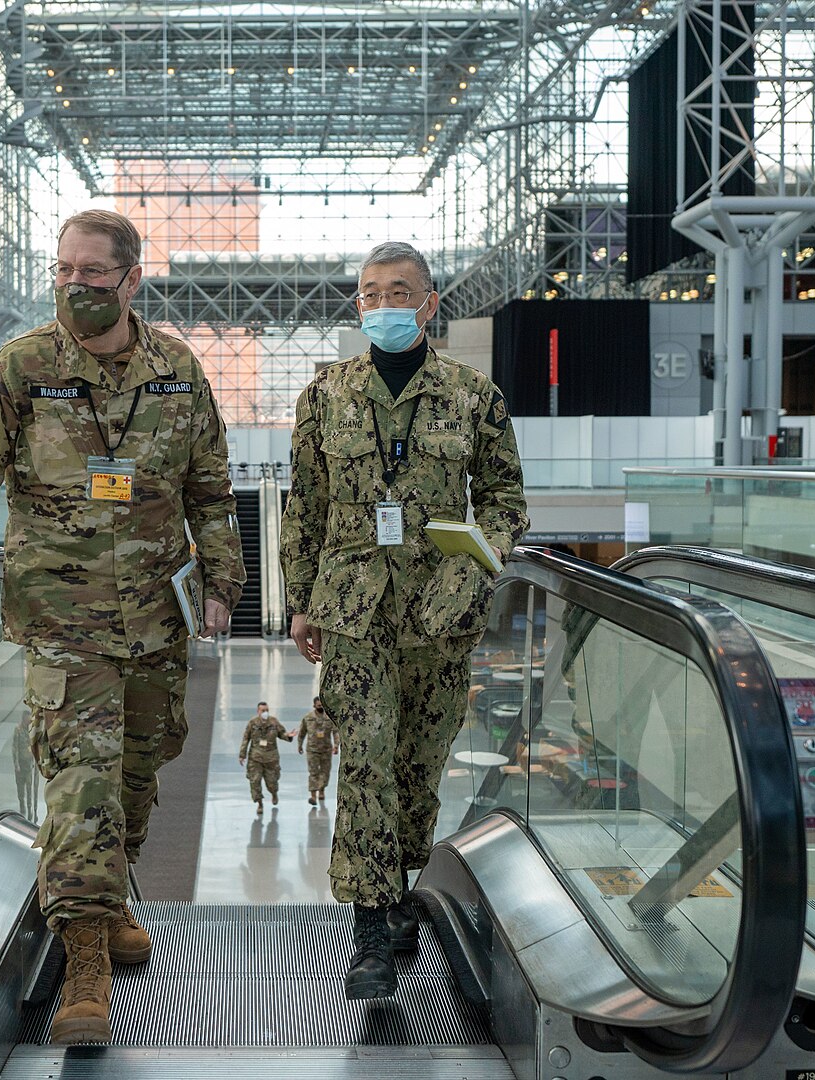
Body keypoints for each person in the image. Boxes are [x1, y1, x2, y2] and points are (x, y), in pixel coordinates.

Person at [0, 209, 245, 1045]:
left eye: (93, 272)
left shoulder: (176, 369)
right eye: (63, 270)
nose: (75, 286)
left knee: (137, 773)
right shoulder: (23, 367)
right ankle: (84, 955)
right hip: (62, 618)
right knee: (79, 785)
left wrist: (225, 583)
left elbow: (210, 485)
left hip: (160, 615)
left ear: (130, 279)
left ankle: (112, 892)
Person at [281, 240, 528, 1000]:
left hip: (438, 613)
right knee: (365, 768)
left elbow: (504, 500)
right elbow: (305, 506)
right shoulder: (325, 396)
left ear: (430, 303)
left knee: (418, 770)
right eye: (369, 292)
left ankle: (398, 888)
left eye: (399, 291)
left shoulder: (472, 396)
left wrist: (471, 568)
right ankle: (370, 934)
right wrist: (298, 600)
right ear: (358, 304)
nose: (381, 303)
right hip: (353, 609)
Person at [238, 701, 293, 814]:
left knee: (272, 782)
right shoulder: (252, 723)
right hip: (255, 758)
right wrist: (242, 755)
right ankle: (260, 803)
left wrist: (288, 736)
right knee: (255, 781)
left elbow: (282, 733)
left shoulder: (273, 722)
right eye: (263, 711)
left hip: (271, 758)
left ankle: (274, 793)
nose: (265, 713)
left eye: (267, 710)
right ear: (258, 711)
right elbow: (245, 739)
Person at [297, 696, 339, 806]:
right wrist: (299, 745)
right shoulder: (308, 718)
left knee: (325, 772)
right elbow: (302, 733)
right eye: (318, 705)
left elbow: (335, 732)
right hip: (312, 750)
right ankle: (313, 796)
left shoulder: (330, 718)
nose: (320, 707)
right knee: (313, 772)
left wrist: (336, 745)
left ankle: (321, 790)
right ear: (314, 705)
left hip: (326, 749)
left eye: (322, 705)